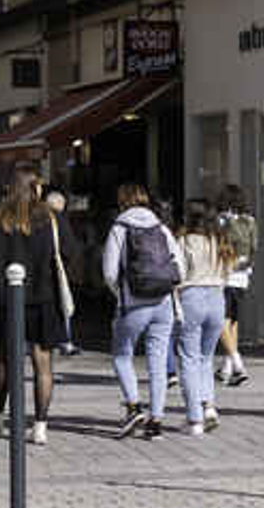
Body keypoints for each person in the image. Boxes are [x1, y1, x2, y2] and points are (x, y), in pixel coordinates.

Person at [0, 164, 75, 446]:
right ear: (35, 187)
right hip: (43, 299)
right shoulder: (51, 217)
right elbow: (69, 252)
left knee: (4, 358)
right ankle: (40, 425)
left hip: (6, 301)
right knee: (43, 363)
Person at [103, 183, 185, 440]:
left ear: (122, 201)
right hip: (163, 302)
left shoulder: (119, 227)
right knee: (158, 362)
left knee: (121, 354)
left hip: (134, 303)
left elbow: (109, 272)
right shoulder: (161, 227)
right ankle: (156, 421)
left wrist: (121, 294)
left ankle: (133, 406)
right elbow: (180, 268)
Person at [175, 198, 234, 436]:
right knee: (206, 358)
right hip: (217, 298)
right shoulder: (220, 241)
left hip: (192, 296)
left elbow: (178, 273)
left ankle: (194, 418)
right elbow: (228, 273)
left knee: (189, 358)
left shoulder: (184, 241)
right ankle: (209, 407)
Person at [216, 184, 255, 386]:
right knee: (233, 321)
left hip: (225, 275)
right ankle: (227, 367)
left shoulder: (221, 220)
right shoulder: (250, 220)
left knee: (221, 321)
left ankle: (238, 364)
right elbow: (255, 247)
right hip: (243, 277)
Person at [44, 186, 82, 357]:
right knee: (63, 305)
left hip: (40, 272)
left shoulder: (38, 219)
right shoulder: (60, 220)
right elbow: (70, 247)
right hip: (57, 269)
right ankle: (65, 341)